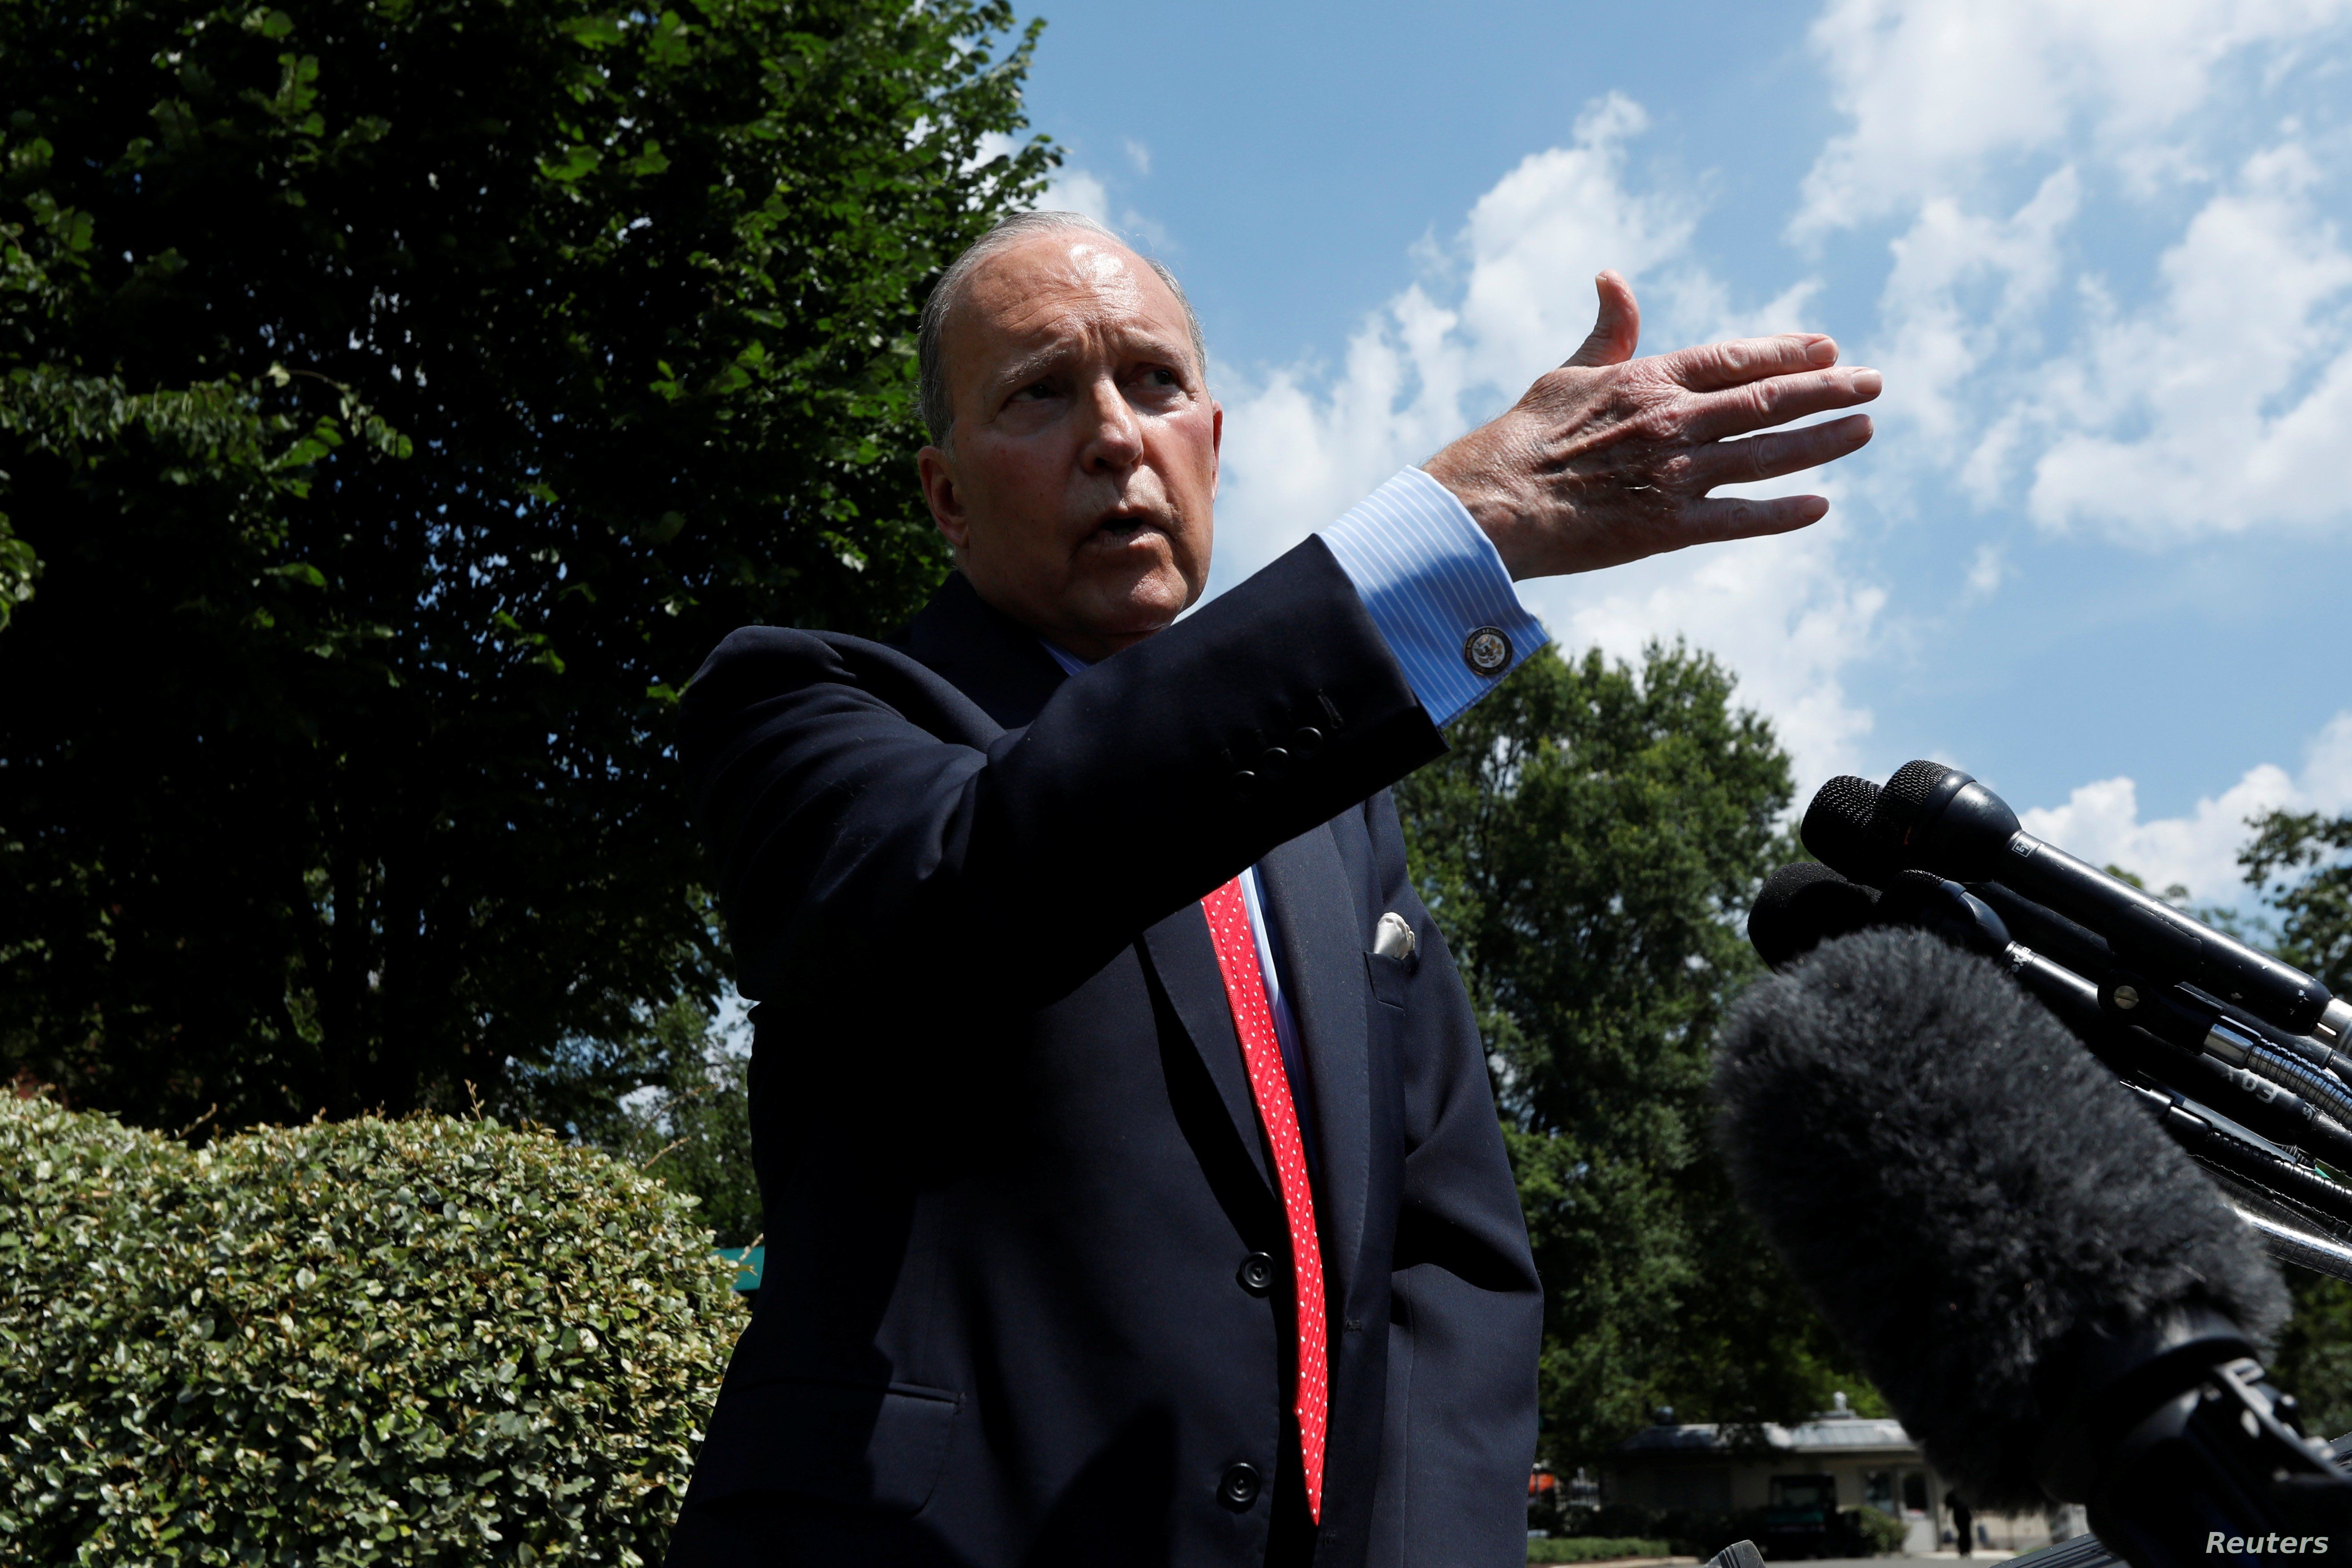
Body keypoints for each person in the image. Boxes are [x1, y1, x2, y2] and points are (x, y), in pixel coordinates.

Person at [664, 210, 1879, 1568]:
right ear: (945, 496)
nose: (1116, 435)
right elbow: (976, 878)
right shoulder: (803, 710)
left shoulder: (1339, 819)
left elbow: (1448, 1256)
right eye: (1040, 394)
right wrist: (1450, 530)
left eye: (1154, 382)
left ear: (1214, 442)